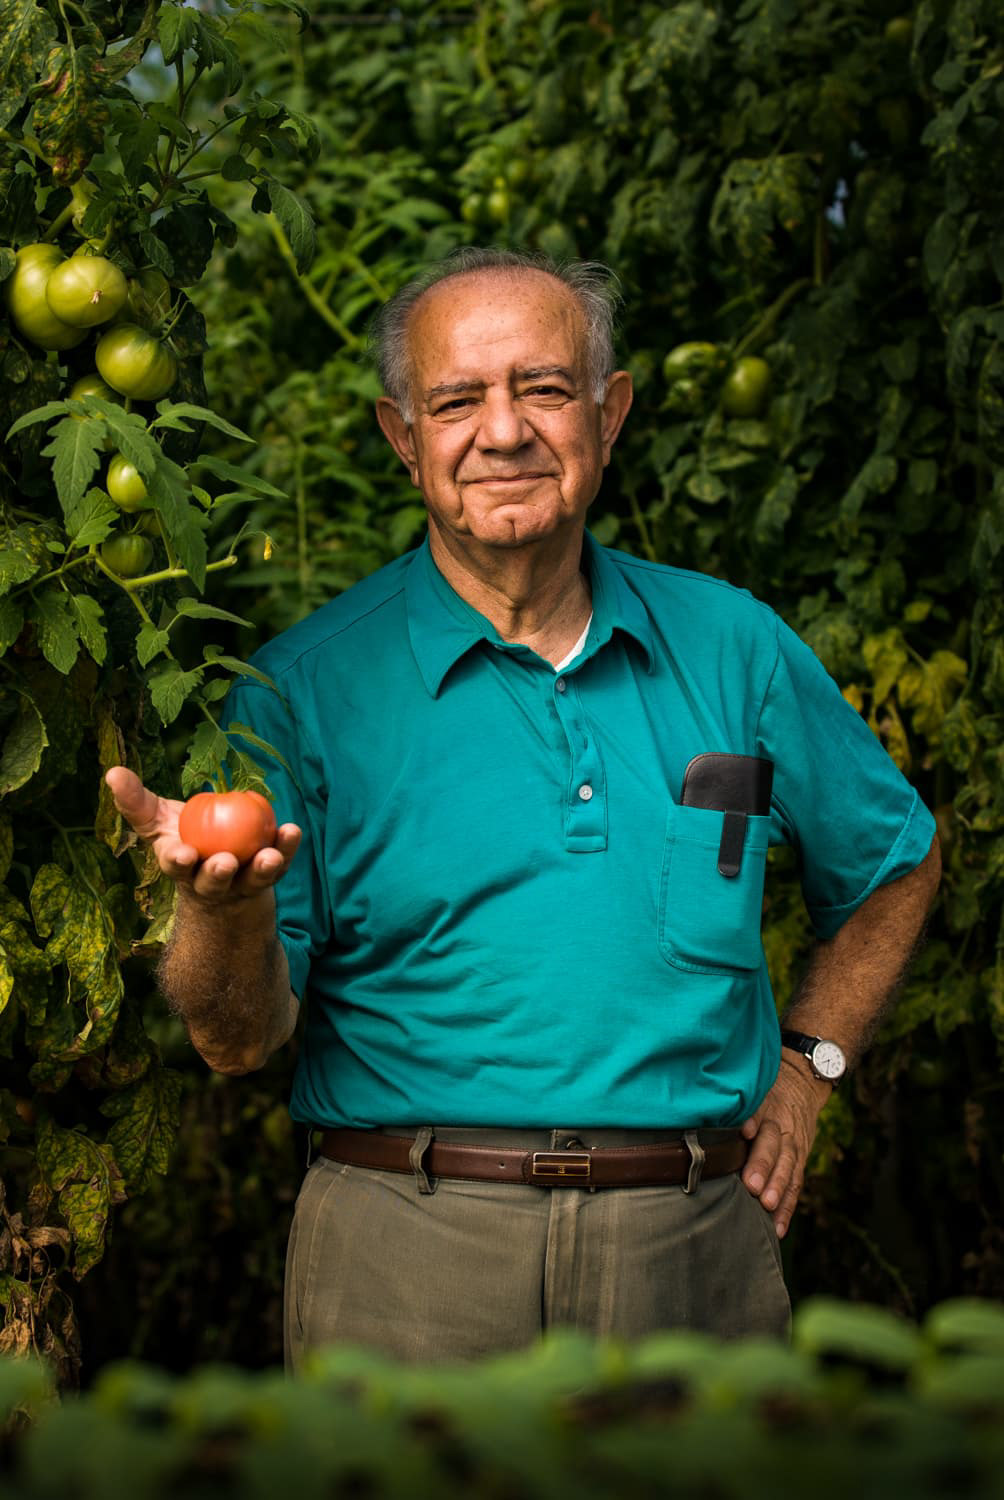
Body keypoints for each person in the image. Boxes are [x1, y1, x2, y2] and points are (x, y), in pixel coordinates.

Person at [106, 247, 940, 1369]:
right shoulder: (300, 692)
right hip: (407, 1256)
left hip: (691, 1251)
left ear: (609, 414)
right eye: (456, 400)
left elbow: (896, 859)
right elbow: (237, 1038)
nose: (502, 433)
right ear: (404, 440)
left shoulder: (732, 647)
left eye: (542, 390)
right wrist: (217, 914)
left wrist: (809, 1069)